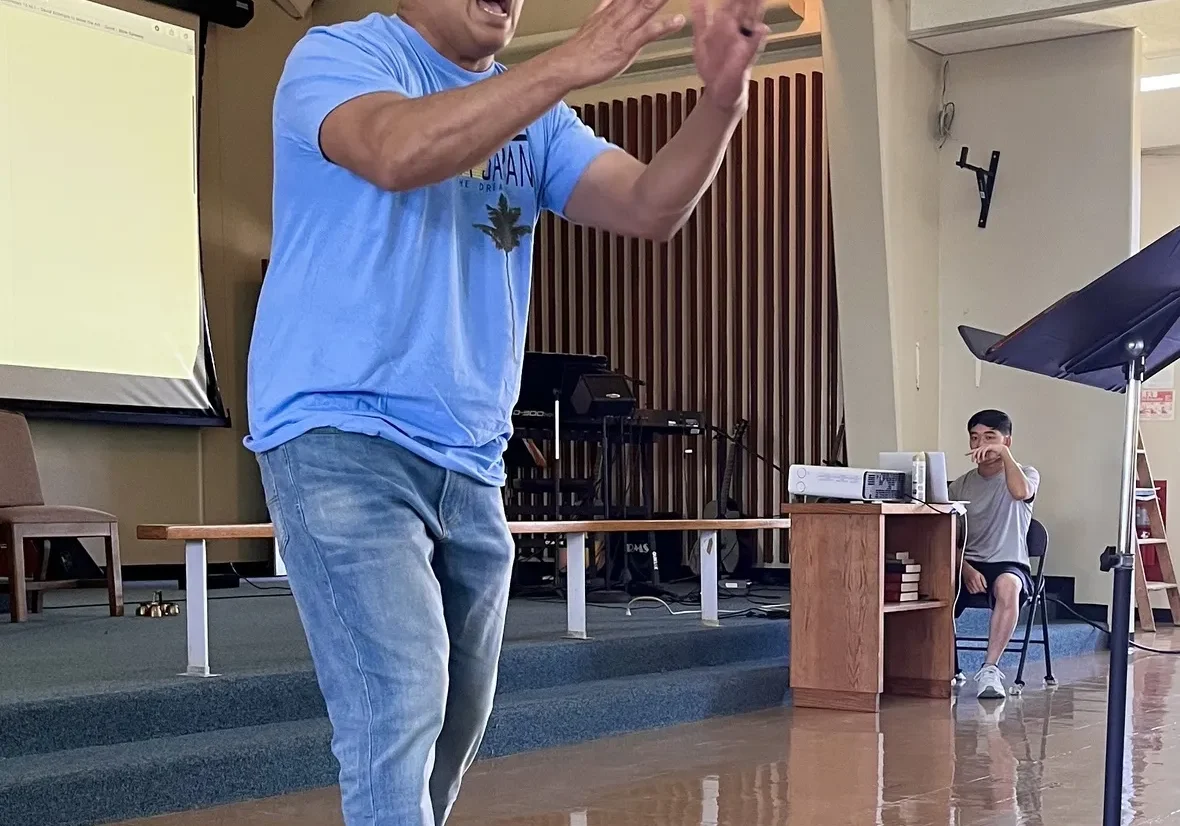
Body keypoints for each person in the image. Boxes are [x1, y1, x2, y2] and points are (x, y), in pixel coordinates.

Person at [245, 1, 770, 824]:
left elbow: (648, 205)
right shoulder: (336, 57)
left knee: (455, 724)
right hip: (339, 432)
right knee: (404, 694)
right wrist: (567, 61)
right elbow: (395, 151)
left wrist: (722, 102)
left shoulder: (541, 119)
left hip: (469, 457)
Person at [949, 409, 1040, 701]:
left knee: (1008, 586)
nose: (981, 445)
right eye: (975, 438)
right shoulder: (960, 485)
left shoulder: (1026, 473)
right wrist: (965, 568)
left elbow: (1019, 492)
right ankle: (945, 665)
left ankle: (990, 668)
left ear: (1007, 441)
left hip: (1009, 563)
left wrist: (1004, 455)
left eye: (990, 437)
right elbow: (945, 536)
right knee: (933, 586)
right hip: (968, 563)